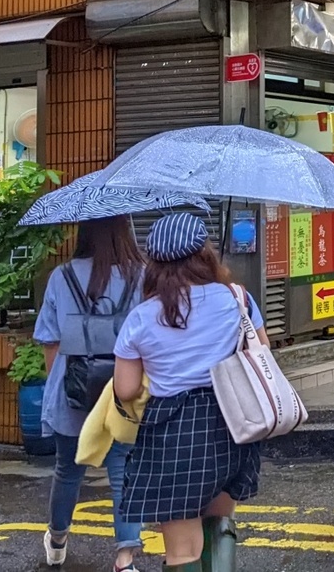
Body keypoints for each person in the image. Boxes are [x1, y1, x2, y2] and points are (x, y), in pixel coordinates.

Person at [113, 213, 265, 572]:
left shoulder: (142, 316)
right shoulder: (237, 298)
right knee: (219, 523)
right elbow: (261, 351)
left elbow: (126, 388)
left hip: (173, 432)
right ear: (205, 254)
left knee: (183, 549)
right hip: (233, 422)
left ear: (153, 262)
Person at [34, 216, 145, 572]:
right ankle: (125, 559)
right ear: (124, 231)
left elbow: (50, 342)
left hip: (73, 388)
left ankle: (57, 538)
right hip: (124, 389)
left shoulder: (61, 276)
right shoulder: (140, 275)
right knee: (123, 470)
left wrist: (65, 388)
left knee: (68, 469)